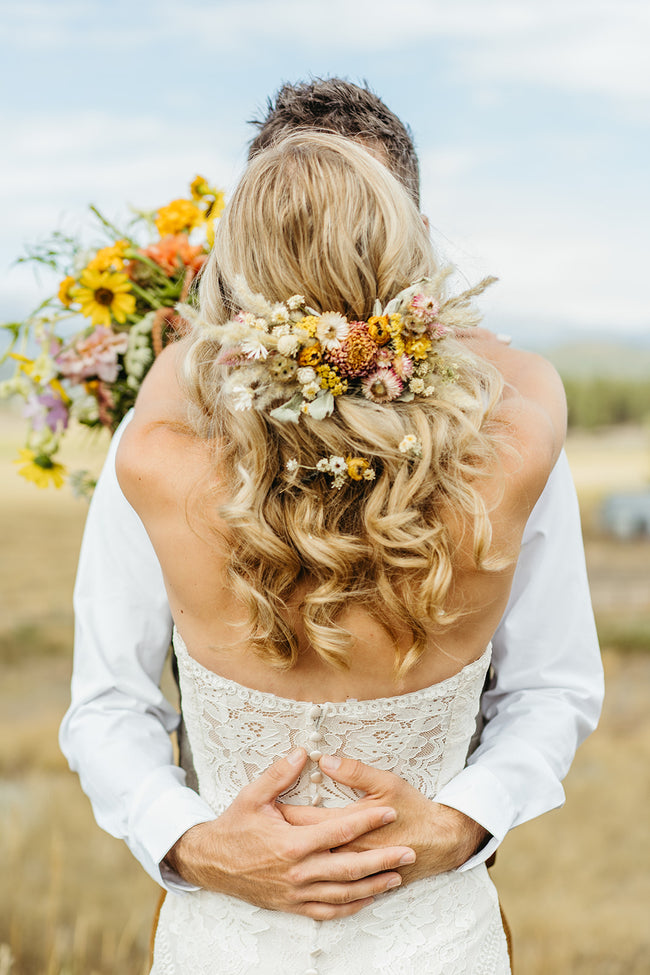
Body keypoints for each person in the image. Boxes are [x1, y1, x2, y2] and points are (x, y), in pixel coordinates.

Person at [60, 79, 602, 915]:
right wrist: (195, 845)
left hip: (433, 915)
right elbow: (109, 702)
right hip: (233, 920)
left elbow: (550, 686)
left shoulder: (156, 448)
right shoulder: (525, 427)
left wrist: (463, 825)